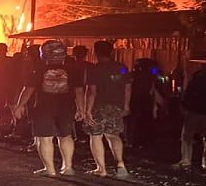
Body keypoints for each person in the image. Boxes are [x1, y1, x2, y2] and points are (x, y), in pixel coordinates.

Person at [13, 39, 85, 176]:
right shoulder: (73, 70)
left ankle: (50, 169)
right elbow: (79, 91)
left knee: (44, 138)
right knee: (66, 136)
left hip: (43, 108)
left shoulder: (38, 70)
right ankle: (68, 167)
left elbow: (28, 89)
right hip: (66, 108)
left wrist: (20, 105)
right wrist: (81, 108)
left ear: (44, 54)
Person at [83, 40, 131, 178]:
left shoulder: (94, 69)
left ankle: (101, 169)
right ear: (111, 52)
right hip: (116, 106)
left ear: (96, 52)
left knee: (96, 136)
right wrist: (126, 105)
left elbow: (92, 91)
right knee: (113, 135)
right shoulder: (122, 67)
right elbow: (128, 87)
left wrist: (87, 110)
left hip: (98, 106)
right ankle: (120, 164)